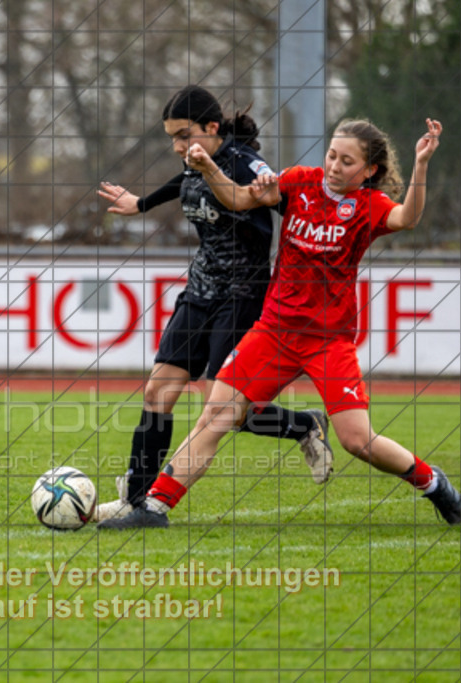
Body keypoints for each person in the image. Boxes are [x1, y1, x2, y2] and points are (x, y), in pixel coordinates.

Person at [99, 117, 461, 529]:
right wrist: (209, 169)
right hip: (274, 331)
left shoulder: (368, 206)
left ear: (369, 171)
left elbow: (408, 218)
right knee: (216, 416)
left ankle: (434, 483)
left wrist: (421, 164)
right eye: (332, 154)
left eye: (347, 161)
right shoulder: (299, 182)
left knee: (356, 441)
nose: (334, 166)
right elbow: (239, 200)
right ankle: (154, 509)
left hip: (327, 340)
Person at [92, 85, 334, 523]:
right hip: (201, 290)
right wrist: (142, 203)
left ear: (212, 127)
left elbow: (287, 201)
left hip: (243, 294)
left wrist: (318, 242)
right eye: (172, 138)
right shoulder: (194, 161)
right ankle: (136, 500)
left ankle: (303, 425)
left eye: (185, 135)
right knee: (157, 391)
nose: (179, 147)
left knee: (225, 407)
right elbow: (184, 181)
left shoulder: (246, 165)